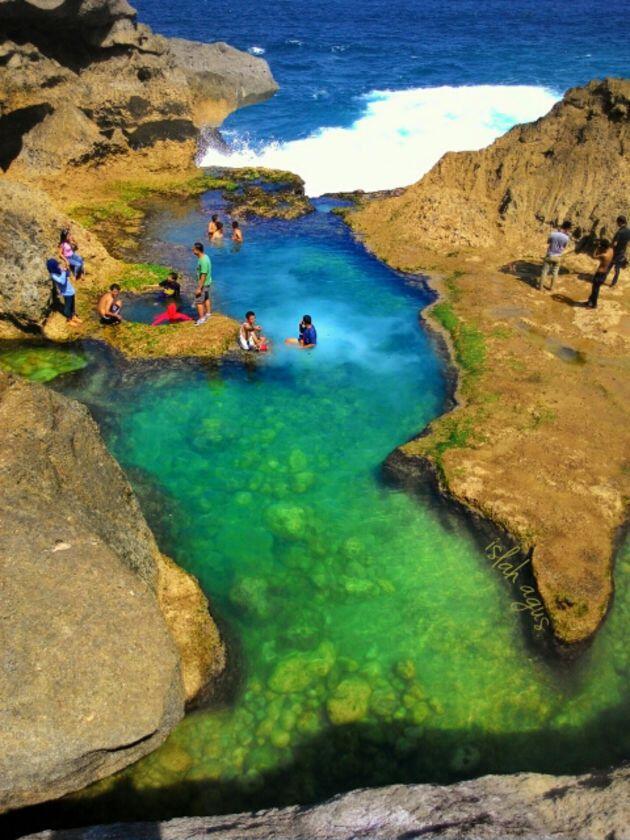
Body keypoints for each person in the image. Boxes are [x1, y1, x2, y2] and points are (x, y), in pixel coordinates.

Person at [539, 220, 572, 291]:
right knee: (555, 273)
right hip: (558, 257)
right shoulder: (566, 237)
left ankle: (540, 288)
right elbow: (564, 246)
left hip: (549, 255)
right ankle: (552, 288)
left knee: (544, 271)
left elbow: (548, 242)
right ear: (568, 228)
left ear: (562, 226)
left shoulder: (553, 233)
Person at [47, 258, 81, 325]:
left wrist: (66, 270)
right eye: (56, 265)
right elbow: (62, 281)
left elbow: (68, 274)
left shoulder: (59, 270)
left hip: (71, 290)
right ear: (53, 267)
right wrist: (63, 272)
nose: (58, 266)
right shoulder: (53, 275)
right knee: (67, 308)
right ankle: (69, 319)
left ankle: (73, 316)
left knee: (72, 305)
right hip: (66, 293)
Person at [585, 239, 614, 309]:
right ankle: (590, 301)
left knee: (595, 290)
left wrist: (597, 248)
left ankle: (594, 305)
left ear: (603, 247)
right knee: (595, 289)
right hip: (604, 273)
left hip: (600, 273)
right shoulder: (611, 250)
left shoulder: (604, 255)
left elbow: (594, 256)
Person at [193, 242, 212, 325]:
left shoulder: (203, 261)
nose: (192, 250)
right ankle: (208, 313)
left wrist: (199, 288)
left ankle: (201, 319)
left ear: (197, 250)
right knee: (206, 297)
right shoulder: (205, 256)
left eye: (193, 249)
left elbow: (203, 275)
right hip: (208, 282)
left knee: (199, 301)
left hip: (203, 284)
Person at [608, 215, 630, 287]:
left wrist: (610, 248)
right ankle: (613, 283)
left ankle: (602, 278)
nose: (617, 224)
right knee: (617, 269)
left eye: (617, 222)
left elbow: (615, 244)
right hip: (622, 252)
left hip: (615, 252)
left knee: (609, 266)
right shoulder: (628, 231)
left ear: (620, 222)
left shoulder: (620, 232)